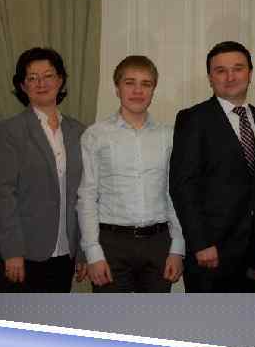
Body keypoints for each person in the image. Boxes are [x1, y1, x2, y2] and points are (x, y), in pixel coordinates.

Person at [170, 41, 255, 293]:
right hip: (211, 252)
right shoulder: (192, 119)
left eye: (238, 69)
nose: (230, 77)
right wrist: (200, 243)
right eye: (220, 70)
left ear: (250, 73)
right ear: (210, 78)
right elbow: (182, 186)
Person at [77, 56, 184, 292]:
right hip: (111, 244)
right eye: (129, 83)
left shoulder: (169, 136)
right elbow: (87, 196)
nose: (138, 91)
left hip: (158, 243)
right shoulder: (96, 135)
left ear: (153, 90)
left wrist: (178, 248)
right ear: (117, 88)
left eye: (146, 84)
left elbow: (174, 194)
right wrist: (93, 251)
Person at [0, 47, 86, 293]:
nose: (41, 83)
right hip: (21, 254)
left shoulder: (78, 131)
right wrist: (12, 251)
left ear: (60, 80)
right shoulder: (10, 130)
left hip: (64, 253)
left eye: (48, 76)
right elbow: (4, 194)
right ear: (23, 86)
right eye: (32, 78)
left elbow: (84, 195)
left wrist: (83, 250)